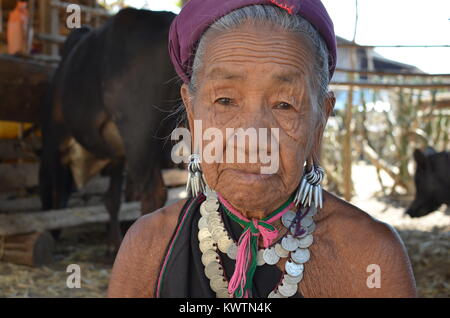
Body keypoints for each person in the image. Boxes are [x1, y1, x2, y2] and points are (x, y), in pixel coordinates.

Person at [108, 0, 416, 298]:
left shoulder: (371, 257)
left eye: (284, 104)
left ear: (319, 121)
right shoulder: (147, 248)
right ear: (192, 113)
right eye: (225, 101)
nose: (252, 138)